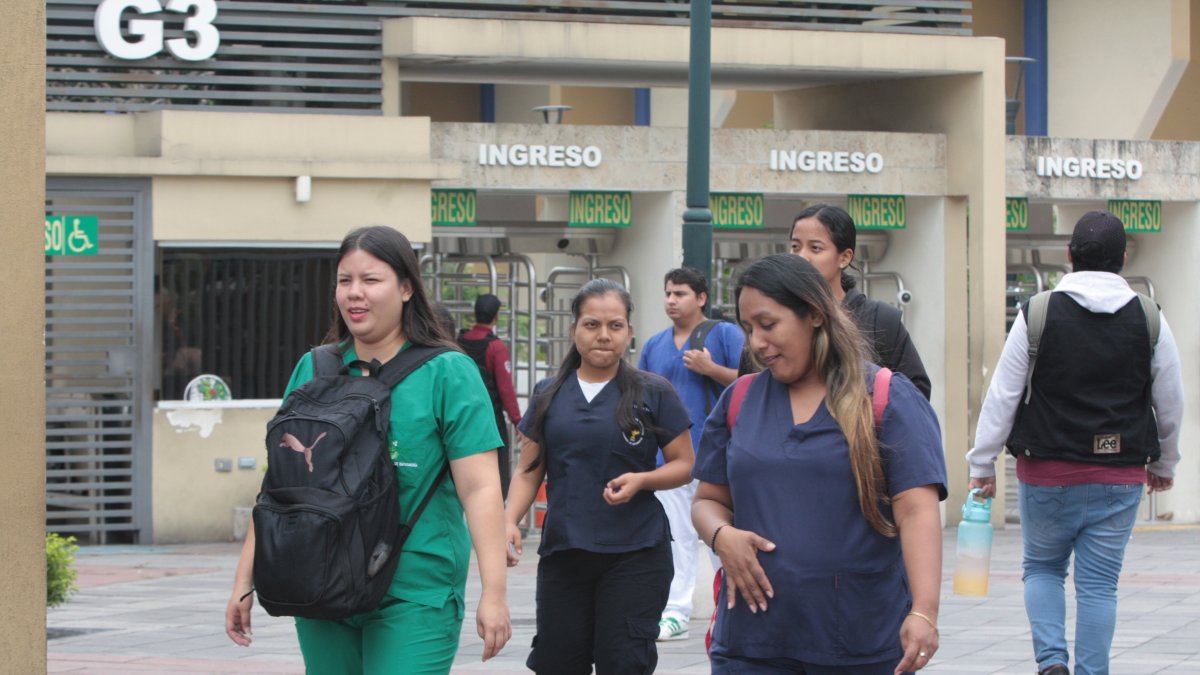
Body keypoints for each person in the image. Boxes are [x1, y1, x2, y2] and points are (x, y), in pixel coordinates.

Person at [224, 225, 512, 674]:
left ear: (405, 288)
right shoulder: (314, 367)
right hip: (320, 577)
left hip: (415, 588)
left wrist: (494, 594)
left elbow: (480, 488)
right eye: (345, 281)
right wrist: (245, 580)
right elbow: (281, 484)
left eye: (370, 280)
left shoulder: (448, 373)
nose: (355, 294)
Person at [693, 253, 947, 674]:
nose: (756, 342)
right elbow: (707, 499)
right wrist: (722, 535)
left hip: (858, 642)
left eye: (768, 324)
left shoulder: (886, 398)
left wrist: (924, 611)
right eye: (748, 328)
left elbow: (917, 509)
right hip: (751, 644)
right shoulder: (739, 399)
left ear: (813, 314)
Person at [966, 210, 1183, 675]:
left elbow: (1003, 394)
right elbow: (1170, 399)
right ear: (1123, 258)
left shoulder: (1038, 312)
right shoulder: (1148, 316)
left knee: (1043, 568)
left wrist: (982, 463)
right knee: (1100, 585)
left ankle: (1051, 662)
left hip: (1047, 471)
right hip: (1120, 473)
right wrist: (1165, 462)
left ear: (1069, 257)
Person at [503, 278, 695, 674]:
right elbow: (528, 469)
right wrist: (508, 521)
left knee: (623, 662)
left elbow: (684, 464)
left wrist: (643, 481)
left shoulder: (652, 391)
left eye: (615, 325)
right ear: (574, 330)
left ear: (630, 331)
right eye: (591, 325)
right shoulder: (548, 393)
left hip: (635, 554)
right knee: (557, 662)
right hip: (565, 553)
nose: (603, 336)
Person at [637, 267, 744, 641]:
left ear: (701, 298)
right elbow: (641, 399)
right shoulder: (654, 344)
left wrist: (710, 368)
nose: (671, 300)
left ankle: (733, 607)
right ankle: (676, 611)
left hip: (716, 454)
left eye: (680, 293)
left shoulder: (725, 334)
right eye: (668, 293)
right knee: (677, 538)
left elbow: (752, 381)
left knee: (722, 536)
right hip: (668, 459)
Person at [787, 203, 932, 399]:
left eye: (815, 248)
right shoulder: (778, 317)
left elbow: (916, 394)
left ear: (844, 258)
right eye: (795, 247)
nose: (802, 257)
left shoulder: (880, 321)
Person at [458, 293, 523, 499]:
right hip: (489, 419)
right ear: (495, 317)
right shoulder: (496, 347)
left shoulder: (458, 341)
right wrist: (517, 421)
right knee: (496, 472)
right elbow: (506, 389)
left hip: (460, 417)